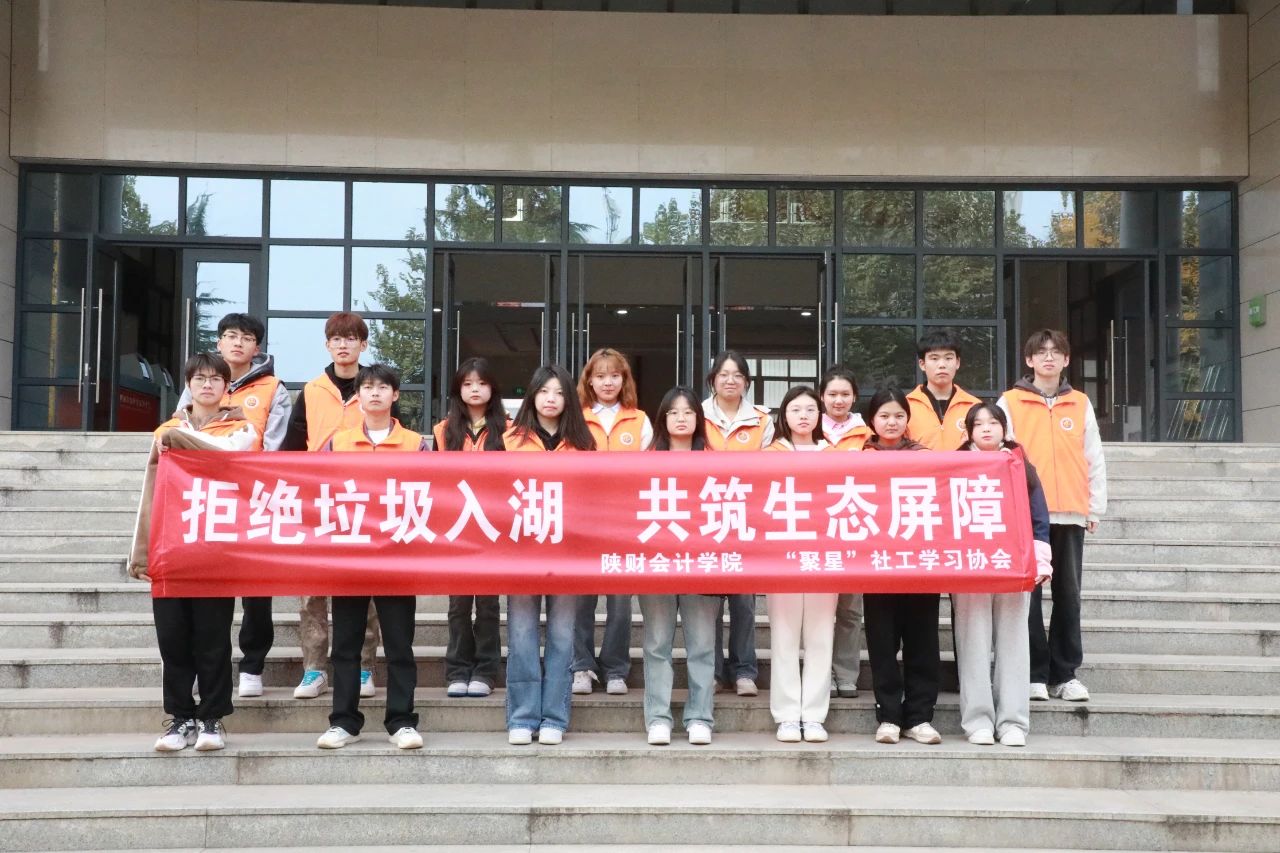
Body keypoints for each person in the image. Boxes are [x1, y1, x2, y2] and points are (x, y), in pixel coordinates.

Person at [128, 353, 260, 752]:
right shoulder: (166, 430)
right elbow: (149, 494)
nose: (207, 385)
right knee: (173, 640)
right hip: (172, 549)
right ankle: (180, 718)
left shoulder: (242, 428)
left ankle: (212, 718)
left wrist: (177, 441)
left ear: (226, 387)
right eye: (199, 379)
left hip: (216, 549)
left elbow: (224, 452)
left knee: (213, 640)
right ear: (188, 385)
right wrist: (140, 553)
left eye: (215, 379)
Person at [174, 312, 291, 700]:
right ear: (219, 342)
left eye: (246, 337)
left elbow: (275, 445)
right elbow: (181, 433)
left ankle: (252, 665)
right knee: (207, 589)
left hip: (254, 496)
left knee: (257, 587)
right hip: (206, 497)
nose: (237, 343)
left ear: (257, 347)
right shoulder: (200, 381)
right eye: (230, 336)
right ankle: (207, 665)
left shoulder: (274, 388)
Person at [315, 364, 428, 750]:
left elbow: (433, 492)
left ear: (395, 395)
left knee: (399, 645)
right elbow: (316, 488)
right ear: (358, 396)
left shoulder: (415, 443)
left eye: (382, 387)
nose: (375, 393)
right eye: (367, 387)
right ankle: (344, 722)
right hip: (350, 555)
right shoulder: (338, 442)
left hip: (398, 556)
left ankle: (402, 721)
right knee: (345, 644)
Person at [998, 329, 1107, 703]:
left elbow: (1093, 455)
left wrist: (1095, 506)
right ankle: (1033, 674)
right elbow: (1003, 454)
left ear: (1066, 359)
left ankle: (1065, 675)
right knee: (1028, 596)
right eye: (1041, 352)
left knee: (1068, 595)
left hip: (1071, 510)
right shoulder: (1011, 401)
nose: (1048, 357)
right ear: (1029, 360)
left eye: (1055, 351)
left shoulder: (1080, 402)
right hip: (1028, 513)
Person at [281, 311, 382, 701]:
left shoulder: (375, 388)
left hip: (364, 500)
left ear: (363, 344)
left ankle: (364, 667)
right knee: (311, 588)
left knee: (365, 585)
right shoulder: (312, 390)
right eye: (336, 339)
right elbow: (293, 446)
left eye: (351, 338)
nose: (343, 345)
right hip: (316, 499)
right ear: (327, 345)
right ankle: (314, 669)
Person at [503, 365, 595, 745]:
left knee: (561, 635)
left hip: (568, 553)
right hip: (521, 553)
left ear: (568, 398)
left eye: (558, 392)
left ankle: (555, 716)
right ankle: (522, 717)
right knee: (522, 633)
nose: (551, 399)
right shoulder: (509, 440)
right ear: (532, 396)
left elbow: (595, 497)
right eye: (544, 391)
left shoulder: (584, 443)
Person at [952, 403, 1053, 748]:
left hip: (1013, 565)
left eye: (993, 422)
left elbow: (1039, 515)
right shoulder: (954, 464)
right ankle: (978, 721)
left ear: (1004, 428)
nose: (986, 429)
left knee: (1014, 643)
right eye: (978, 423)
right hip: (970, 566)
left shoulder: (1020, 465)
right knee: (973, 642)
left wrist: (1040, 560)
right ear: (969, 431)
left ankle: (1013, 722)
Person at [860, 387, 942, 745]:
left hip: (920, 562)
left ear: (908, 419)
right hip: (877, 564)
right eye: (884, 416)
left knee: (923, 640)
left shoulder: (926, 457)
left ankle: (920, 717)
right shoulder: (858, 458)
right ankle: (889, 717)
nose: (891, 422)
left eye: (898, 416)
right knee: (882, 642)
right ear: (871, 420)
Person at [639, 386, 719, 746]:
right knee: (657, 643)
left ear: (698, 419)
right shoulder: (645, 461)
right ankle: (658, 717)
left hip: (701, 564)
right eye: (673, 412)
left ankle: (700, 716)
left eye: (688, 412)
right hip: (656, 563)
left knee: (702, 645)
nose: (681, 418)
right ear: (663, 419)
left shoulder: (715, 461)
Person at [573, 348, 652, 697]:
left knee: (620, 603)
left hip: (624, 523)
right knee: (581, 600)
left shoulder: (639, 420)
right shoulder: (576, 418)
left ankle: (616, 668)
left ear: (624, 380)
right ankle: (581, 666)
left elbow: (649, 471)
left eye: (615, 375)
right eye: (601, 376)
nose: (608, 382)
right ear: (589, 380)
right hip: (583, 522)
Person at [764, 386, 838, 743]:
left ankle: (814, 715)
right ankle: (787, 715)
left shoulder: (833, 454)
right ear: (784, 415)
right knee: (784, 636)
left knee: (821, 636)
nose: (804, 415)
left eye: (810, 409)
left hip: (824, 553)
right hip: (782, 554)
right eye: (796, 409)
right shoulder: (769, 454)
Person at [433, 357, 507, 699]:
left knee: (488, 604)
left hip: (493, 526)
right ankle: (458, 670)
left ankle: (486, 671)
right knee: (458, 605)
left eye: (481, 383)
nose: (474, 389)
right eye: (467, 384)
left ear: (492, 388)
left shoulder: (509, 430)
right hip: (457, 527)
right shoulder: (443, 430)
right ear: (458, 390)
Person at [701, 350, 772, 697]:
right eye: (723, 374)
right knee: (710, 603)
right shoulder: (696, 414)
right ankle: (713, 671)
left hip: (747, 518)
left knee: (744, 601)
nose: (730, 381)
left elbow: (772, 468)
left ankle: (744, 669)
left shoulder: (762, 420)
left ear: (746, 381)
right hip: (706, 518)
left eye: (737, 375)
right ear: (712, 380)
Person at [820, 367, 870, 700]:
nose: (838, 400)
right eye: (832, 394)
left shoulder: (867, 433)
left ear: (854, 397)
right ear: (821, 396)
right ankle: (821, 673)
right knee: (820, 611)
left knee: (850, 610)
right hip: (817, 529)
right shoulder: (809, 428)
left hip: (855, 529)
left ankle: (846, 674)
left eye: (845, 394)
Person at [905, 328, 981, 452]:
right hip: (919, 465)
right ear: (922, 364)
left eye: (948, 358)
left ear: (957, 363)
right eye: (934, 358)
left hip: (962, 465)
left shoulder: (975, 406)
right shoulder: (905, 406)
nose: (942, 365)